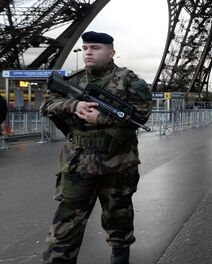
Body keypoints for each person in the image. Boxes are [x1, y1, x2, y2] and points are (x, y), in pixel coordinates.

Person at [40, 31, 153, 264]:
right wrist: (73, 105)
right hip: (77, 162)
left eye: (96, 48)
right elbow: (47, 104)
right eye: (85, 48)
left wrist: (101, 119)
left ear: (111, 52)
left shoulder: (131, 81)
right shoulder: (72, 81)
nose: (88, 52)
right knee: (65, 224)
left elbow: (141, 115)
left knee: (118, 216)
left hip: (118, 162)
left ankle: (120, 252)